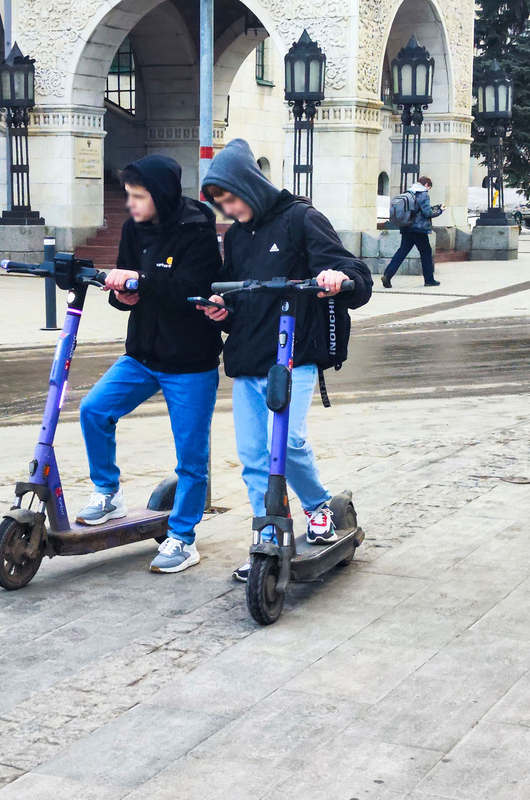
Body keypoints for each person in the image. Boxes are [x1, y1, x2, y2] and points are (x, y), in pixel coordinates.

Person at [198, 139, 372, 582]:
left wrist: (338, 279)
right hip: (247, 360)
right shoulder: (236, 236)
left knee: (287, 444)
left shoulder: (302, 219)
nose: (228, 210)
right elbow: (240, 297)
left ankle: (318, 507)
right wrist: (223, 308)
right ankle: (268, 536)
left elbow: (357, 276)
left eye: (230, 199)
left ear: (249, 186)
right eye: (220, 204)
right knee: (254, 457)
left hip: (295, 356)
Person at [75, 155, 223, 575]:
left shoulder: (197, 230)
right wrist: (122, 295)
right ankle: (109, 493)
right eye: (128, 195)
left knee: (191, 458)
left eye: (138, 196)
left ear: (160, 194)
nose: (131, 205)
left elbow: (194, 291)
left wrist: (145, 283)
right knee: (94, 410)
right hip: (141, 354)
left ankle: (183, 538)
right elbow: (123, 285)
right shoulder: (132, 230)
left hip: (190, 362)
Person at [381, 177, 443, 288]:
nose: (428, 189)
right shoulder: (423, 194)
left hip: (406, 226)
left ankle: (388, 274)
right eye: (429, 187)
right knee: (426, 252)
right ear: (426, 184)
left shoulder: (409, 192)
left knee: (402, 251)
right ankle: (429, 279)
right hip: (418, 229)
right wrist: (440, 210)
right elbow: (427, 213)